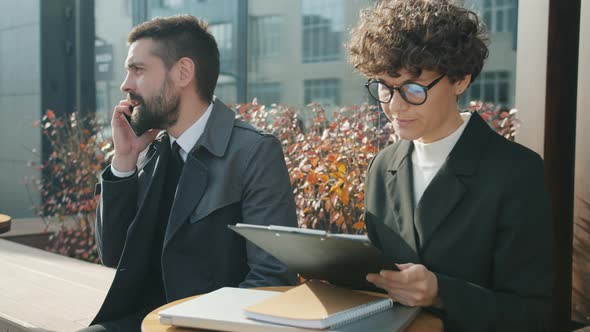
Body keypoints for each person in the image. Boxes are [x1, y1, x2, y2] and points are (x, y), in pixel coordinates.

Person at [347, 1, 553, 331]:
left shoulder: (516, 172)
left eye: (413, 89)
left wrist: (442, 293)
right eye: (385, 87)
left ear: (460, 80)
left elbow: (533, 314)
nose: (395, 106)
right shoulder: (383, 166)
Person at [83, 15, 297, 331]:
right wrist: (125, 159)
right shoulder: (153, 150)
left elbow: (271, 279)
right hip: (141, 321)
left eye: (138, 70)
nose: (125, 85)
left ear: (183, 72)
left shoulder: (253, 152)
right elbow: (114, 254)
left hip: (209, 327)